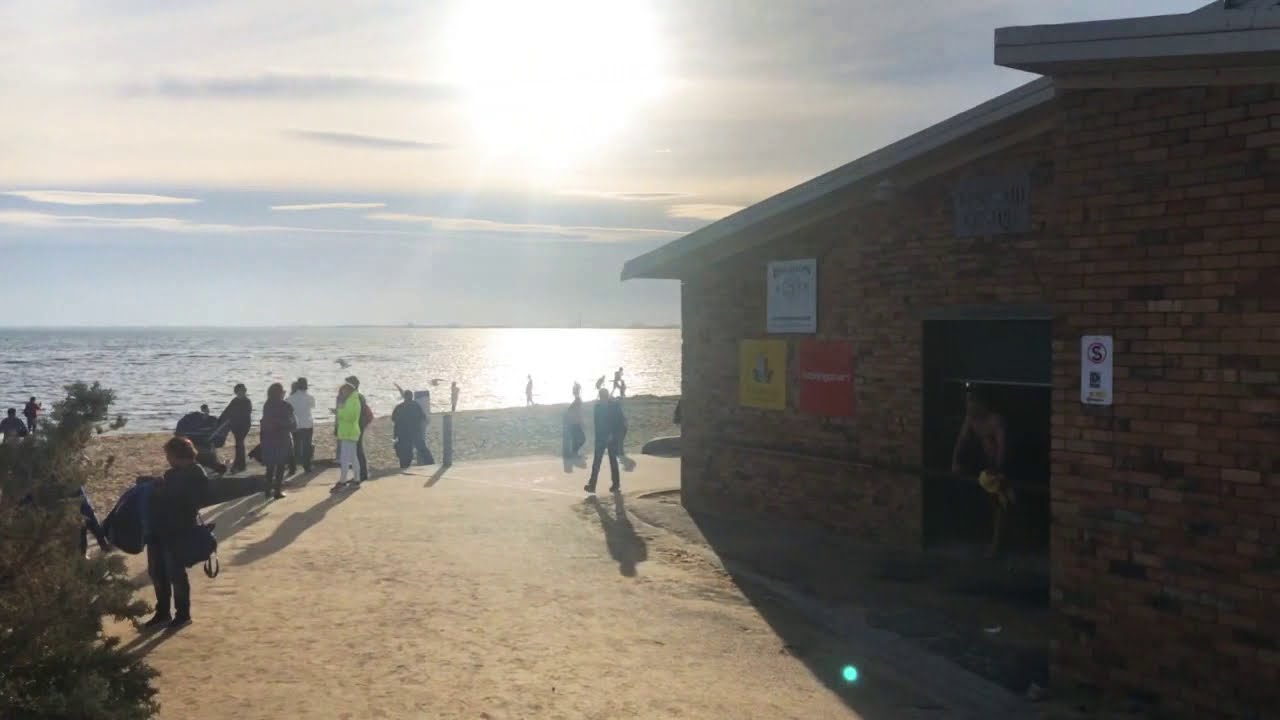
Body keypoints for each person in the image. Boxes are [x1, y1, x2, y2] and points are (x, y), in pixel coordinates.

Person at [144, 436, 210, 631]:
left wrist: (162, 490)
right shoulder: (173, 473)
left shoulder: (196, 474)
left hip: (180, 531)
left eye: (169, 455)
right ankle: (163, 613)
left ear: (177, 455)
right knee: (158, 572)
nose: (167, 459)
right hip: (160, 529)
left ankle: (183, 615)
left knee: (176, 574)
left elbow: (187, 500)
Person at [951, 385, 1014, 558]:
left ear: (982, 404)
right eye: (967, 403)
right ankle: (975, 535)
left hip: (999, 467)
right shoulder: (970, 419)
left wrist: (998, 470)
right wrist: (955, 462)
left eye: (972, 403)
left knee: (999, 503)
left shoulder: (996, 421)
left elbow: (1002, 449)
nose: (969, 407)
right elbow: (961, 441)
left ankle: (996, 545)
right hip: (980, 465)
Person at [584, 388, 624, 495]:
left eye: (603, 399)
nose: (602, 401)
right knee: (596, 462)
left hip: (612, 438)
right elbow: (597, 424)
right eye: (601, 399)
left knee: (613, 461)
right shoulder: (597, 407)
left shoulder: (615, 406)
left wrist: (613, 435)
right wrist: (597, 438)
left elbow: (620, 422)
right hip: (600, 438)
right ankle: (592, 485)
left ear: (607, 397)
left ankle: (616, 484)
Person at [259, 383, 295, 499]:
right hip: (282, 439)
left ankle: (267, 490)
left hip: (268, 439)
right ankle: (277, 491)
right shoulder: (286, 406)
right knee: (280, 466)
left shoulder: (267, 405)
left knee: (270, 466)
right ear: (280, 393)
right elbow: (293, 423)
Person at [392, 390, 433, 469]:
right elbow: (423, 417)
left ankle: (404, 466)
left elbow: (394, 419)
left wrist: (396, 434)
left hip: (403, 433)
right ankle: (430, 463)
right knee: (422, 448)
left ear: (404, 397)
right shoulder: (415, 405)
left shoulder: (399, 407)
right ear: (412, 396)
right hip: (415, 431)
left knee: (406, 451)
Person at [333, 382, 363, 491]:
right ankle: (356, 480)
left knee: (344, 458)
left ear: (347, 390)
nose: (341, 394)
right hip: (350, 432)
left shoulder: (352, 401)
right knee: (353, 458)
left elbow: (350, 416)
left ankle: (343, 481)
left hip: (348, 432)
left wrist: (339, 411)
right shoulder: (353, 399)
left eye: (342, 391)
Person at [218, 383, 253, 473]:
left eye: (242, 391)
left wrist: (234, 416)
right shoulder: (234, 400)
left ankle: (240, 465)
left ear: (244, 391)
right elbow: (227, 411)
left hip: (244, 425)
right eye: (238, 391)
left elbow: (246, 413)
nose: (240, 393)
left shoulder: (247, 401)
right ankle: (240, 464)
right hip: (235, 426)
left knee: (239, 444)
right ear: (236, 392)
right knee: (238, 444)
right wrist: (219, 420)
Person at [345, 375, 372, 482]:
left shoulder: (355, 396)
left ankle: (362, 474)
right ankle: (361, 473)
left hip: (356, 425)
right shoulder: (358, 396)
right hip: (359, 425)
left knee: (357, 450)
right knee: (357, 449)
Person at [287, 378, 316, 474]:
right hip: (307, 424)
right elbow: (312, 406)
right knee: (307, 446)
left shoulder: (290, 398)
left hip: (296, 425)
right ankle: (307, 466)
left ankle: (293, 468)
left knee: (296, 446)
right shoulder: (310, 397)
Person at [564, 385, 586, 458]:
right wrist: (580, 421)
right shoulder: (577, 400)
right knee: (582, 439)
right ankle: (574, 453)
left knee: (576, 439)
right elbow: (576, 412)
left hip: (574, 423)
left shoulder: (576, 400)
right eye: (579, 390)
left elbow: (574, 411)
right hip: (575, 423)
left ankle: (574, 453)